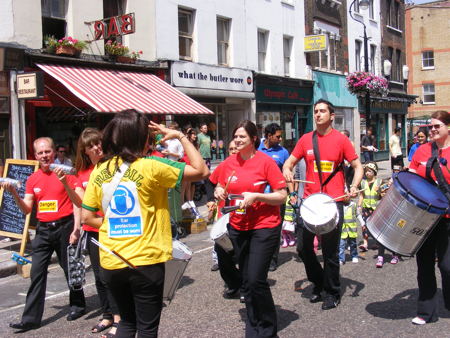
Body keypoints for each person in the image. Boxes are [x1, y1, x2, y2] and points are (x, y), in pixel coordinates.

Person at [81, 110, 208, 337]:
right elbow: (201, 170)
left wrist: (116, 222)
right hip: (145, 261)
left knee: (127, 323)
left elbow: (87, 217)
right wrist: (180, 136)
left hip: (111, 259)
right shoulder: (152, 166)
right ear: (140, 138)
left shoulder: (100, 170)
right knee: (147, 328)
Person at [282, 99, 363, 310]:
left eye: (322, 111)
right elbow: (288, 163)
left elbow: (357, 166)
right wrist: (288, 172)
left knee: (330, 253)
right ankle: (318, 282)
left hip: (332, 203)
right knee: (302, 248)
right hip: (309, 203)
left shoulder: (341, 140)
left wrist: (353, 186)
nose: (318, 114)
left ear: (331, 115)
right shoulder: (306, 139)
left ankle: (332, 292)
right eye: (316, 111)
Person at [213, 120, 287, 337]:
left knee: (255, 279)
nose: (237, 140)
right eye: (236, 136)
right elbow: (217, 183)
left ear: (253, 139)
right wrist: (218, 191)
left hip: (265, 226)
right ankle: (253, 324)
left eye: (242, 137)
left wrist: (257, 196)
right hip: (238, 226)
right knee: (247, 280)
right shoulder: (228, 162)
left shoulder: (265, 162)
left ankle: (267, 329)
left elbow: (282, 195)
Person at [4, 137, 85, 332]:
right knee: (36, 272)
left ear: (54, 152)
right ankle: (30, 319)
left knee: (69, 268)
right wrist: (14, 193)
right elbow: (26, 210)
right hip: (43, 229)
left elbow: (78, 202)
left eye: (47, 152)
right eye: (40, 153)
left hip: (64, 227)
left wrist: (76, 229)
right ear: (36, 155)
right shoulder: (33, 179)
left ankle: (78, 305)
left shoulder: (65, 173)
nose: (44, 156)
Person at [73, 128, 121, 337]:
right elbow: (81, 204)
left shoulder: (113, 166)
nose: (96, 147)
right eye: (91, 145)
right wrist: (67, 184)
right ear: (84, 151)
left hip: (112, 228)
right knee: (100, 277)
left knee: (115, 275)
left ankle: (120, 318)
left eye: (98, 143)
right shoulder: (83, 174)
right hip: (92, 230)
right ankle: (107, 314)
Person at [408, 110, 450, 325]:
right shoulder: (422, 151)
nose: (432, 130)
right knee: (424, 264)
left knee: (446, 265)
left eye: (437, 126)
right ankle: (426, 312)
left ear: (448, 127)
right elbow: (411, 177)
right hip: (424, 216)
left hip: (448, 217)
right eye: (431, 126)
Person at [208, 140, 243, 299]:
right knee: (222, 254)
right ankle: (234, 282)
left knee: (243, 254)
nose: (233, 151)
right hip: (225, 217)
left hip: (243, 216)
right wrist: (211, 197)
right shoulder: (224, 165)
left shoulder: (248, 165)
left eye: (236, 148)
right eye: (230, 149)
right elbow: (210, 182)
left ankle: (246, 287)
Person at [258, 123, 290, 271]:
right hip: (258, 196)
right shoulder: (256, 147)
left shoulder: (283, 152)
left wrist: (292, 192)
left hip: (277, 196)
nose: (280, 138)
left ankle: (272, 259)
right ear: (268, 136)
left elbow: (288, 174)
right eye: (277, 136)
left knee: (275, 228)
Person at [339, 195, 364, 264]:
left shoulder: (353, 205)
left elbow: (358, 214)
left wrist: (362, 223)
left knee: (353, 244)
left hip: (351, 229)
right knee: (341, 245)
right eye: (344, 196)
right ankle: (341, 259)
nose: (346, 197)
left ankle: (354, 256)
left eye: (347, 196)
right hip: (343, 229)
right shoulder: (339, 205)